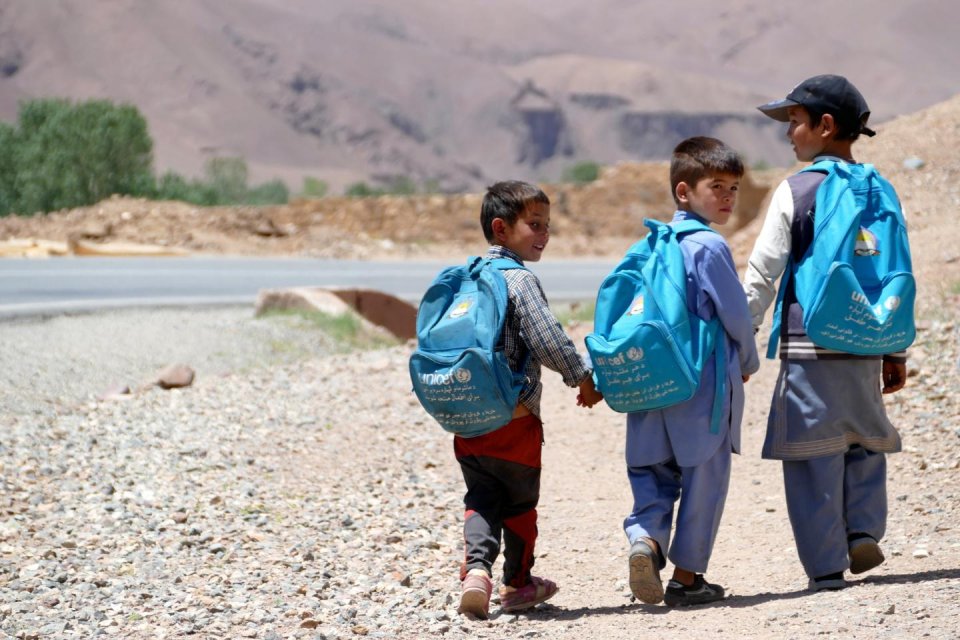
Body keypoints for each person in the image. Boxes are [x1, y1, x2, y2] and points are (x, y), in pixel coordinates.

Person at [743, 74, 908, 591]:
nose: (789, 133)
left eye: (794, 121)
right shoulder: (881, 188)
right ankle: (862, 529)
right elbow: (891, 272)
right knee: (862, 440)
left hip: (809, 343)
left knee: (811, 453)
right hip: (866, 340)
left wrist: (740, 338)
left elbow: (764, 272)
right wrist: (894, 346)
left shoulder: (796, 191)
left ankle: (825, 566)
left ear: (825, 125)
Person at [621, 137, 760, 607]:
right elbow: (736, 314)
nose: (727, 196)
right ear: (684, 192)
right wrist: (747, 360)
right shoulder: (708, 246)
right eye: (716, 185)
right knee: (705, 478)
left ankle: (646, 541)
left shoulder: (648, 244)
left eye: (734, 187)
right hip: (701, 387)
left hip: (648, 383)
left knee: (652, 474)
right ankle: (686, 577)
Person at [455, 180, 603, 619]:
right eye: (534, 224)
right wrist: (582, 378)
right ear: (501, 229)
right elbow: (548, 339)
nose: (544, 233)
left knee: (481, 496)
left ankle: (476, 571)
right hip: (514, 421)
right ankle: (517, 584)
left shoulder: (467, 277)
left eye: (547, 225)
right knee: (519, 504)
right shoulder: (519, 279)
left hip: (466, 416)